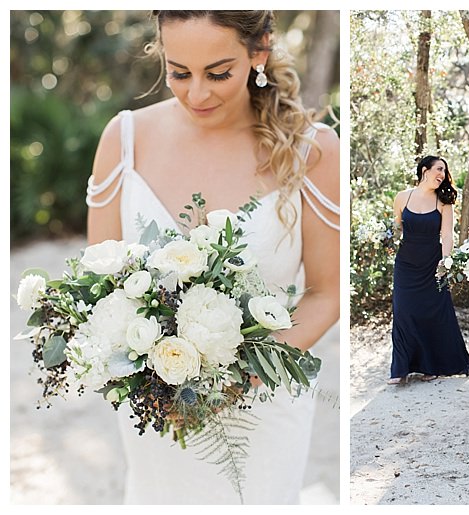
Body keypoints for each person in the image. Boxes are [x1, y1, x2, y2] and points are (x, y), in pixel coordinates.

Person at [85, 11, 340, 504]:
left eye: (218, 73)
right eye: (179, 72)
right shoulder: (124, 141)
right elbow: (100, 285)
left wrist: (235, 379)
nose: (197, 94)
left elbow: (326, 293)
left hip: (261, 405)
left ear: (258, 52)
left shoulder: (314, 152)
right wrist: (150, 373)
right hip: (155, 404)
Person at [388, 155, 469, 384]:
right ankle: (400, 369)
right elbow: (396, 228)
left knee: (432, 312)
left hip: (431, 263)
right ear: (424, 170)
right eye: (438, 169)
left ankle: (430, 365)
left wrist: (446, 262)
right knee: (403, 311)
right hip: (405, 263)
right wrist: (386, 241)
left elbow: (447, 234)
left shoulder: (443, 201)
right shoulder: (402, 197)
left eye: (444, 171)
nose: (442, 175)